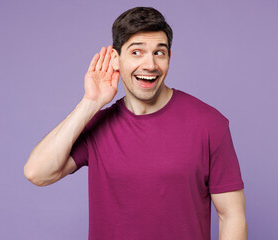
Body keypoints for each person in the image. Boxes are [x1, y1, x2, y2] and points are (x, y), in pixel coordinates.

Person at [24, 6, 247, 240]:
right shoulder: (99, 125)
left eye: (159, 53)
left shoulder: (210, 124)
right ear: (116, 59)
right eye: (137, 52)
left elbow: (231, 215)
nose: (150, 65)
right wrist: (91, 102)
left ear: (169, 58)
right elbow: (37, 172)